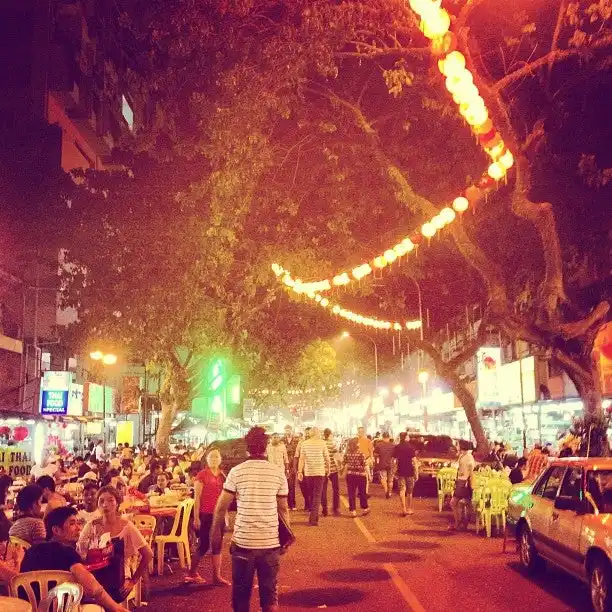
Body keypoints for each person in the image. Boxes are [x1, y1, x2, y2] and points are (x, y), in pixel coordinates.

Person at [211, 426, 289, 612]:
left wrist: (215, 532)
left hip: (243, 543)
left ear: (247, 447)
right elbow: (283, 508)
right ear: (265, 447)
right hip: (270, 543)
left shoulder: (236, 472)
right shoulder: (277, 472)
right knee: (270, 598)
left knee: (241, 597)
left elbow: (221, 507)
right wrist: (286, 537)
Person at [20, 506, 129, 612]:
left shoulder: (31, 551)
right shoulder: (67, 553)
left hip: (30, 608)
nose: (79, 528)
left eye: (78, 523)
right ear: (56, 530)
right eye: (72, 524)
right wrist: (116, 608)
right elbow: (92, 588)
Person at [78, 486, 153, 601]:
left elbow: (148, 554)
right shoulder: (91, 526)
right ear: (97, 504)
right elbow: (80, 552)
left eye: (110, 500)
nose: (105, 505)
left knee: (104, 597)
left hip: (119, 578)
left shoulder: (126, 526)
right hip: (95, 576)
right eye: (101, 501)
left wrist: (133, 580)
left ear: (117, 503)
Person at [186, 448, 230, 586]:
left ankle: (217, 576)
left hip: (219, 515)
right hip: (205, 514)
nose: (214, 459)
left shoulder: (222, 475)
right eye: (211, 457)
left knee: (217, 545)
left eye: (217, 457)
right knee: (204, 545)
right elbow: (197, 497)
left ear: (220, 459)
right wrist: (196, 517)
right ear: (207, 459)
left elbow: (225, 496)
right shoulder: (202, 475)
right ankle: (191, 573)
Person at [297, 427, 330, 527]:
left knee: (311, 494)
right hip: (319, 472)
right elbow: (327, 458)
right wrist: (328, 469)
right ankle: (313, 519)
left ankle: (314, 516)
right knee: (317, 495)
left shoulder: (305, 443)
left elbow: (301, 458)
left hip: (308, 473)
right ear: (317, 433)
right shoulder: (322, 443)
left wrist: (300, 471)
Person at [449, 440, 476, 531]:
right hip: (462, 481)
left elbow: (471, 470)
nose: (457, 446)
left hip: (463, 482)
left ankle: (459, 523)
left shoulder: (468, 457)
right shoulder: (464, 456)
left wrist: (470, 481)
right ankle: (461, 524)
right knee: (465, 504)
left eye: (458, 445)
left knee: (455, 503)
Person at [343, 438, 369, 517]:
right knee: (362, 492)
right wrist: (369, 475)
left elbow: (344, 463)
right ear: (357, 444)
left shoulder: (347, 453)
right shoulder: (361, 453)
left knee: (351, 493)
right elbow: (365, 465)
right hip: (361, 475)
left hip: (350, 475)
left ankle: (353, 511)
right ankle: (365, 508)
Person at [393, 432, 417, 516]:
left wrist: (394, 470)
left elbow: (394, 460)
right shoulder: (410, 447)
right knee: (410, 491)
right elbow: (414, 461)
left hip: (400, 471)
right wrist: (416, 472)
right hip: (409, 471)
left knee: (402, 490)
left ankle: (403, 508)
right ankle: (409, 508)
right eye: (408, 436)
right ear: (406, 437)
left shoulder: (397, 447)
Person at [322, 428, 340, 516]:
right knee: (336, 489)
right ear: (330, 434)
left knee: (323, 490)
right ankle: (336, 508)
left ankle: (325, 509)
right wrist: (340, 465)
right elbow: (337, 455)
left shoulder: (321, 443)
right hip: (332, 469)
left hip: (323, 470)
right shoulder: (332, 443)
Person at [294, 427, 312, 511]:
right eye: (306, 433)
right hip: (302, 469)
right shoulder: (300, 443)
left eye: (309, 433)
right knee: (303, 486)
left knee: (311, 487)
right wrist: (295, 468)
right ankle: (307, 501)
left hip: (312, 469)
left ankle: (310, 504)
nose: (307, 434)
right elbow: (296, 456)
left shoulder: (314, 443)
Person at [282, 425, 299, 511]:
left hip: (293, 465)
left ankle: (293, 504)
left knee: (292, 485)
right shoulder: (281, 440)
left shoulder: (296, 440)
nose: (288, 431)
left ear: (291, 430)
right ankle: (287, 504)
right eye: (286, 429)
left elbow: (298, 453)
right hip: (284, 465)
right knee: (285, 486)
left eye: (289, 429)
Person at [375, 432, 396, 499]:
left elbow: (375, 454)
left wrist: (378, 459)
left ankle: (386, 490)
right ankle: (389, 493)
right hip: (391, 464)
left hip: (382, 464)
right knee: (390, 480)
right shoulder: (393, 445)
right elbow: (395, 456)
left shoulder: (378, 445)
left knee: (383, 478)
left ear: (382, 437)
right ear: (389, 437)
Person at [357, 427, 374, 494]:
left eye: (361, 431)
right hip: (357, 461)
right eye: (359, 431)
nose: (360, 433)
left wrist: (371, 459)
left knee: (365, 477)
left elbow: (371, 452)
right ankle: (360, 492)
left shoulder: (368, 441)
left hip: (366, 460)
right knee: (358, 477)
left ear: (363, 432)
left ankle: (365, 492)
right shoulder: (355, 440)